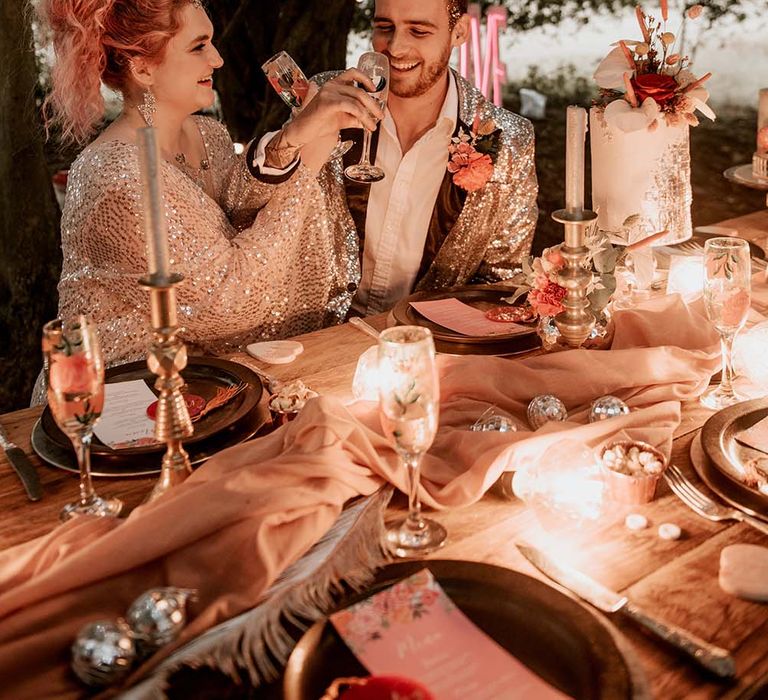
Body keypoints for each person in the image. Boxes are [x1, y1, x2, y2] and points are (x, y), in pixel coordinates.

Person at [36, 0, 382, 373]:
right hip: (123, 397)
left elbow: (241, 213)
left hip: (211, 384)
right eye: (199, 46)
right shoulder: (113, 180)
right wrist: (310, 162)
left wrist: (292, 139)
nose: (217, 59)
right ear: (142, 68)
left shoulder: (208, 134)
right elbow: (231, 303)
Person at [255, 0, 538, 316]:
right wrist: (291, 137)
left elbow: (501, 283)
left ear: (459, 32)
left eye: (418, 30)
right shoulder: (324, 97)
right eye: (384, 27)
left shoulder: (507, 139)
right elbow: (257, 212)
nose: (396, 48)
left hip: (430, 347)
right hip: (312, 340)